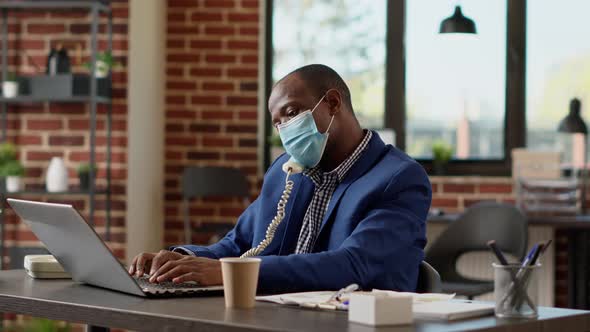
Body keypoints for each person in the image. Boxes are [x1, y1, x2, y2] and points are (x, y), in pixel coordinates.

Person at [128, 64, 432, 294]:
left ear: (333, 103)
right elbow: (240, 244)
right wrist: (180, 259)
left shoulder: (399, 178)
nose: (285, 128)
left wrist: (228, 272)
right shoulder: (284, 171)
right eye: (278, 123)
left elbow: (354, 264)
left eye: (291, 112)